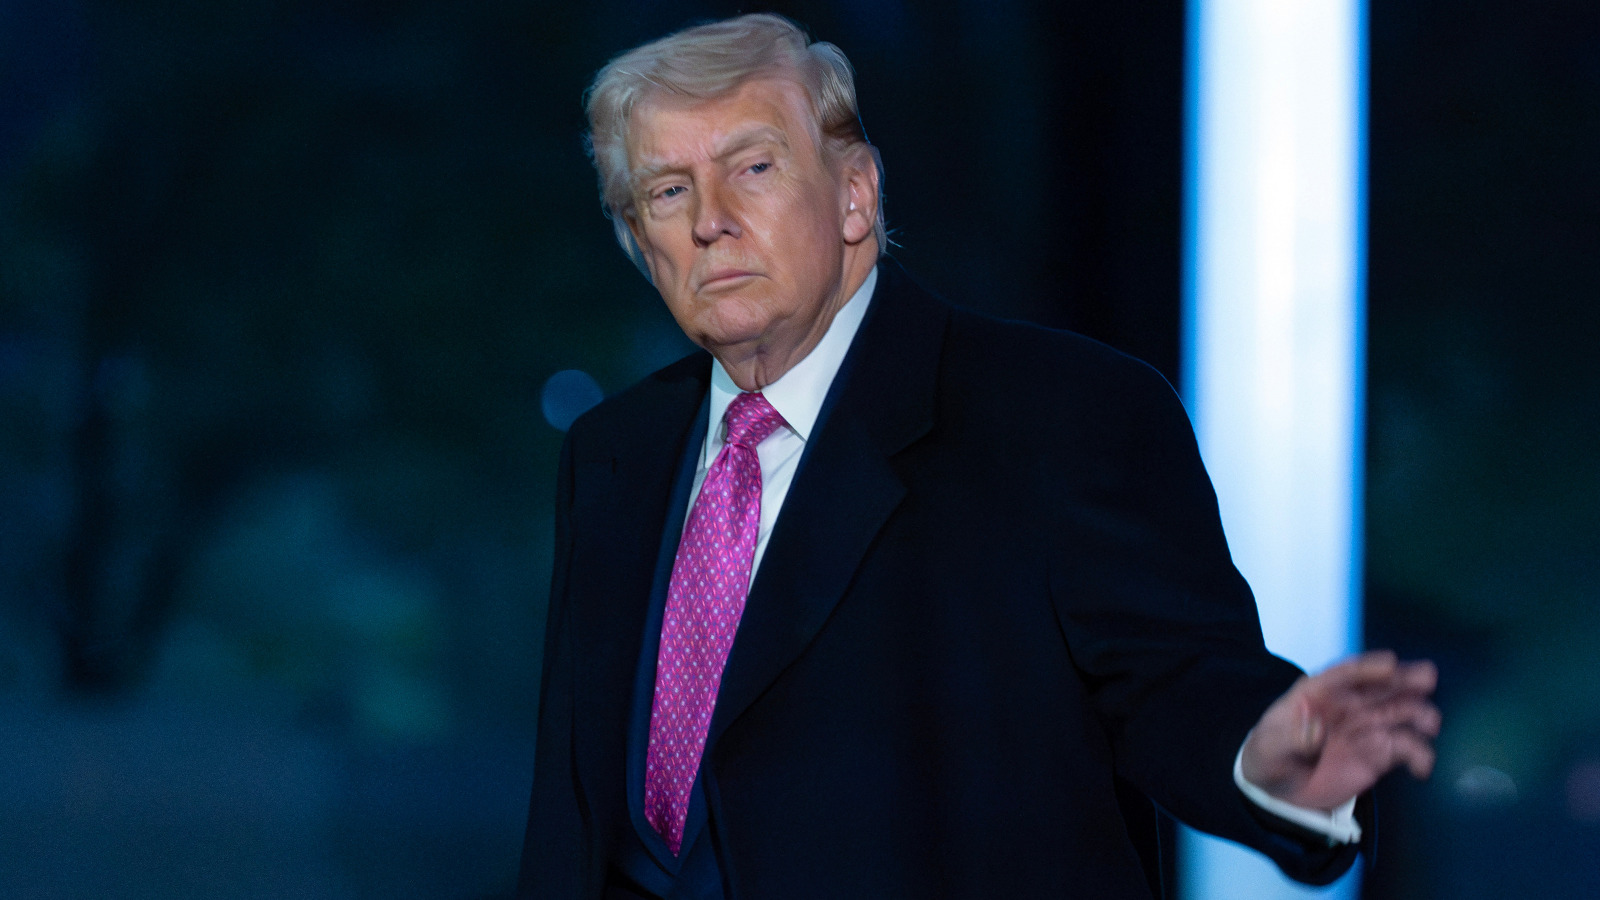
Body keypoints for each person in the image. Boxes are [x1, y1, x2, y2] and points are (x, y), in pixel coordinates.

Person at [519, 13, 1439, 899]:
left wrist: (1268, 754)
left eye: (752, 167)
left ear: (855, 196)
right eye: (668, 192)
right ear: (642, 242)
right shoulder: (613, 456)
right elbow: (575, 820)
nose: (709, 220)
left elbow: (1173, 680)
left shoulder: (1059, 413)